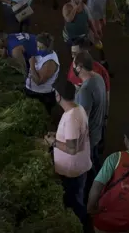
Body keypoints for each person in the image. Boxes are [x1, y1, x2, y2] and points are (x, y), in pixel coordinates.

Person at [45, 81, 92, 231]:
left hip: (73, 172)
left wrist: (53, 143)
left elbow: (72, 148)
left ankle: (84, 228)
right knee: (76, 201)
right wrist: (57, 137)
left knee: (75, 206)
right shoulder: (78, 109)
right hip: (78, 168)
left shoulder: (72, 117)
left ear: (58, 96)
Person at [74, 50, 108, 181]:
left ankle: (96, 191)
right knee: (96, 160)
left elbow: (83, 121)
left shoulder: (86, 90)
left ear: (80, 67)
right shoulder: (98, 78)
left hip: (90, 137)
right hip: (98, 130)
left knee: (90, 169)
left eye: (74, 64)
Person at [26, 32, 60, 111]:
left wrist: (31, 65)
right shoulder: (41, 53)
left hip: (42, 95)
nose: (38, 49)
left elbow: (39, 82)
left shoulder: (50, 63)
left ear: (48, 48)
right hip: (33, 91)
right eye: (38, 46)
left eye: (41, 48)